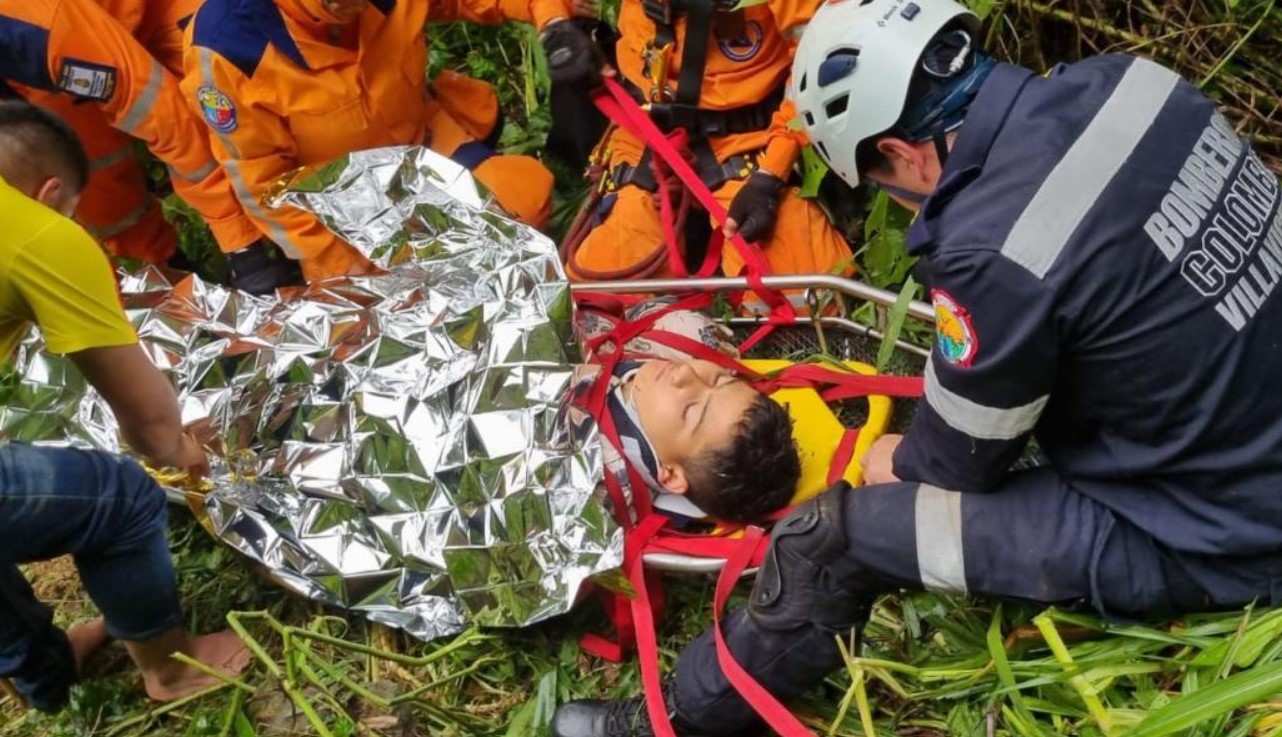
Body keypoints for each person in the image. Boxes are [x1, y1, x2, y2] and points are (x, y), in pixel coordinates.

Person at [549, 0, 1282, 733]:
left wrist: (908, 456)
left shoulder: (993, 248)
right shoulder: (1134, 83)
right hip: (1246, 417)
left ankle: (670, 718)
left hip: (1216, 529)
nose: (898, 203)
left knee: (832, 539)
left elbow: (958, 463)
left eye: (882, 183)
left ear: (901, 153)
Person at [0, 101, 250, 713]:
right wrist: (182, 451)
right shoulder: (38, 232)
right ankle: (171, 671)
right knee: (123, 500)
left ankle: (45, 680)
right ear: (51, 192)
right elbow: (150, 426)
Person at [180, 0, 571, 285]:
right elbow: (261, 181)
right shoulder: (228, 49)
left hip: (424, 145)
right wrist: (335, 257)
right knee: (389, 312)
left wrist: (554, 22)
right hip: (338, 211)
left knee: (524, 201)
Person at [541, 0, 853, 281]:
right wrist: (554, 25)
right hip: (646, 136)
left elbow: (823, 59)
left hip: (747, 139)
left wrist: (772, 172)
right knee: (603, 289)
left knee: (805, 292)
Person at [0, 0, 272, 288]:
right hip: (45, 54)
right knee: (81, 168)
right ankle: (162, 271)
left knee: (235, 96)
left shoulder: (32, 28)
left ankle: (279, 235)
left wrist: (243, 245)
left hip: (153, 10)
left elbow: (164, 115)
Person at [575, 301, 801, 523]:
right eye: (719, 379)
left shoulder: (592, 478)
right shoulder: (689, 337)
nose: (684, 372)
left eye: (690, 411)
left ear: (670, 475)